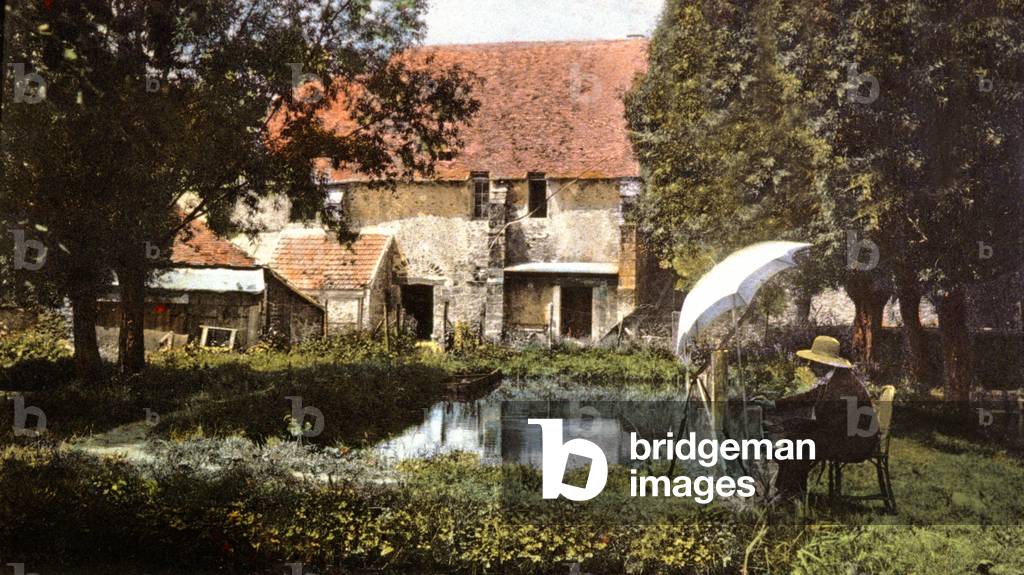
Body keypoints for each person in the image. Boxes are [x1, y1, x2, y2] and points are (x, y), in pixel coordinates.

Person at [758, 336, 879, 499]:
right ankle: (790, 490)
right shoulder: (836, 379)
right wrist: (774, 404)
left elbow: (832, 425)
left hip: (856, 443)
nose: (809, 366)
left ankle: (790, 492)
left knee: (799, 442)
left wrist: (800, 429)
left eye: (813, 362)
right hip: (846, 434)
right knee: (796, 436)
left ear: (824, 364)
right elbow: (809, 397)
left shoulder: (842, 387)